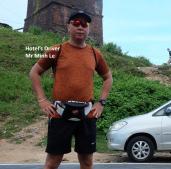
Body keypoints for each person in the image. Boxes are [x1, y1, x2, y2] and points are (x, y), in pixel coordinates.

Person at [29, 11, 113, 169]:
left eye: (84, 24)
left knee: (87, 162)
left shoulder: (95, 54)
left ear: (88, 28)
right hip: (59, 112)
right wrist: (42, 100)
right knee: (52, 162)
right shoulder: (57, 50)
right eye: (76, 23)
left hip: (87, 114)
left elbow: (108, 78)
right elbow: (34, 73)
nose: (80, 27)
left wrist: (101, 103)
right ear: (68, 27)